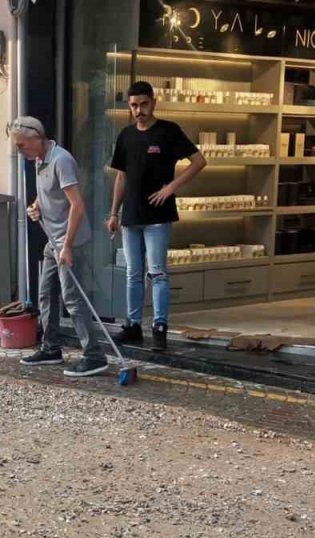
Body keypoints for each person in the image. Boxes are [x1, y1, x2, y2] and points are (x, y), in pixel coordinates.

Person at [107, 80, 207, 351]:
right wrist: (113, 212)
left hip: (158, 216)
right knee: (133, 273)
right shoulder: (126, 136)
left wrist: (171, 188)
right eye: (133, 105)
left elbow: (199, 161)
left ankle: (160, 325)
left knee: (158, 273)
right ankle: (133, 324)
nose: (138, 110)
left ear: (154, 102)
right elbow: (121, 176)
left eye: (143, 104)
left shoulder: (168, 131)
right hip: (131, 216)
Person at [12, 116, 108, 378]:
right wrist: (36, 206)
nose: (19, 151)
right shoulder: (38, 161)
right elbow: (49, 195)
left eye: (21, 145)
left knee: (73, 299)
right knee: (45, 294)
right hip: (51, 240)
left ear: (36, 138)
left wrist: (66, 246)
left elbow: (77, 205)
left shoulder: (61, 160)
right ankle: (51, 347)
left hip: (69, 241)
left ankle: (94, 356)